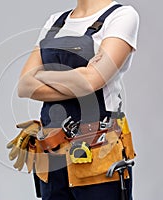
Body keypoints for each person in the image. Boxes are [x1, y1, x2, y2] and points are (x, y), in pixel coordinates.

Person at [10, 0, 139, 199]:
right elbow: (24, 86)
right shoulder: (55, 21)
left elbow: (90, 82)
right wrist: (78, 77)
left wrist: (41, 75)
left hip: (98, 154)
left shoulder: (121, 16)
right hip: (52, 156)